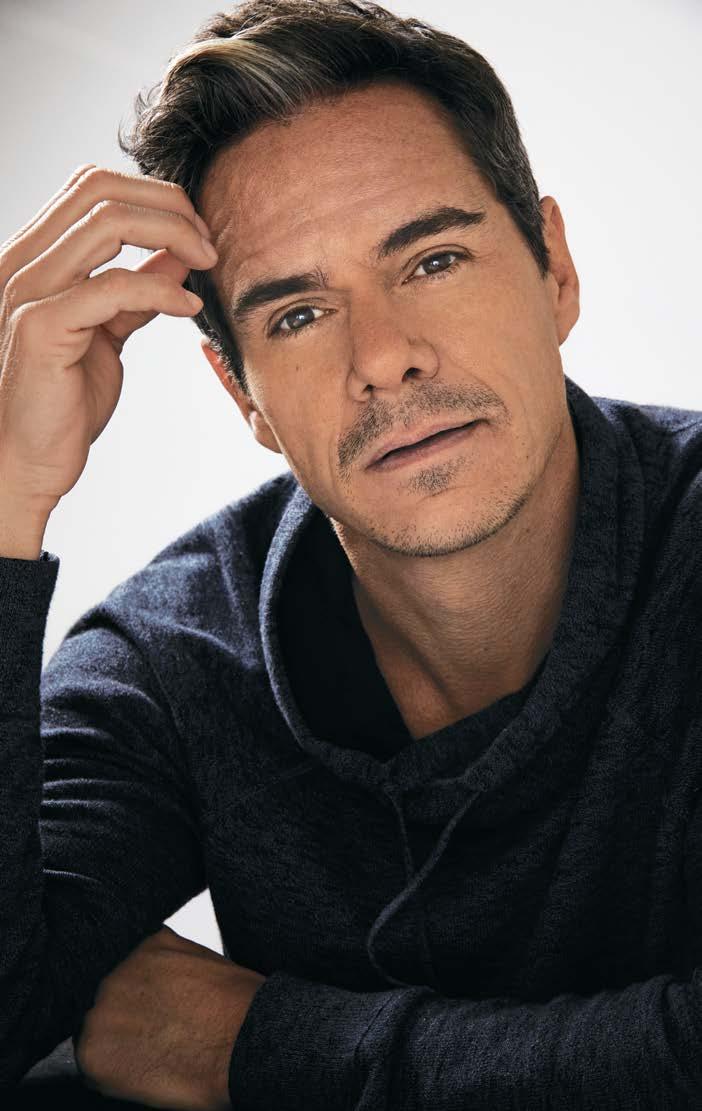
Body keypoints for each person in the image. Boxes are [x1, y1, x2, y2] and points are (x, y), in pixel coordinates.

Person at [1, 0, 701, 1106]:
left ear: (555, 271)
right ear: (242, 394)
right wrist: (1, 503)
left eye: (433, 260)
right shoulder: (174, 661)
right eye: (297, 315)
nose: (384, 357)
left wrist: (253, 1048)